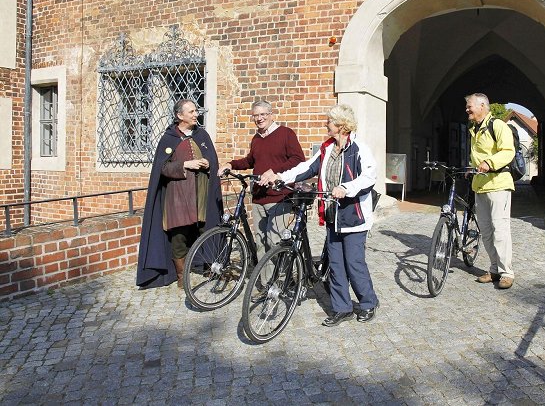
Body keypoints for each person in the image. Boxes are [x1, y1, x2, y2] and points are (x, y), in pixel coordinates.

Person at [260, 104, 380, 326]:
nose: (326, 124)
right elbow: (305, 168)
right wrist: (280, 176)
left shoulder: (359, 149)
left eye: (329, 121)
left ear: (341, 125)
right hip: (333, 215)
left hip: (354, 216)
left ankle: (368, 302)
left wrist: (346, 187)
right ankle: (342, 308)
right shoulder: (326, 149)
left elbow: (369, 177)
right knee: (335, 264)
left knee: (354, 263)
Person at [136, 99, 222, 289]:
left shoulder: (202, 135)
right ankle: (182, 275)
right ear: (179, 115)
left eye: (195, 111)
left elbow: (213, 159)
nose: (195, 114)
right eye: (191, 112)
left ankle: (209, 266)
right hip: (177, 196)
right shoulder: (169, 138)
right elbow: (162, 167)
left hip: (201, 193)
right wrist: (185, 164)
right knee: (179, 235)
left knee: (205, 229)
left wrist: (207, 162)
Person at [218, 100, 305, 266]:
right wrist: (231, 164)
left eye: (263, 114)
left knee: (275, 242)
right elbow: (251, 160)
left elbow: (298, 160)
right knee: (261, 243)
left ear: (271, 115)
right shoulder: (256, 139)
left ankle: (280, 283)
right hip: (259, 197)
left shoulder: (286, 133)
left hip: (279, 196)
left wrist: (274, 171)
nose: (259, 118)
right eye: (255, 115)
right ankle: (266, 285)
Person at [465, 93, 516, 289]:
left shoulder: (498, 126)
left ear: (482, 106)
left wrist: (490, 162)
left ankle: (506, 273)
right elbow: (477, 156)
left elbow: (508, 151)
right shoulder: (474, 129)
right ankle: (494, 269)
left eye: (470, 106)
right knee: (485, 231)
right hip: (480, 185)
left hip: (498, 184)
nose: (467, 109)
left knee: (500, 230)